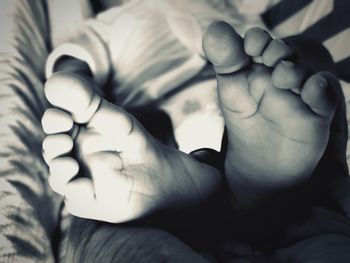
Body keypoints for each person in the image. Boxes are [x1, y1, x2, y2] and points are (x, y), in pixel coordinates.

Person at [41, 1, 350, 261]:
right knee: (141, 133)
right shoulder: (106, 23)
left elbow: (260, 41)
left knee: (305, 51)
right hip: (158, 117)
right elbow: (72, 61)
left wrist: (275, 62)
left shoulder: (219, 3)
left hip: (238, 105)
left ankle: (224, 190)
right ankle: (226, 188)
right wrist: (79, 93)